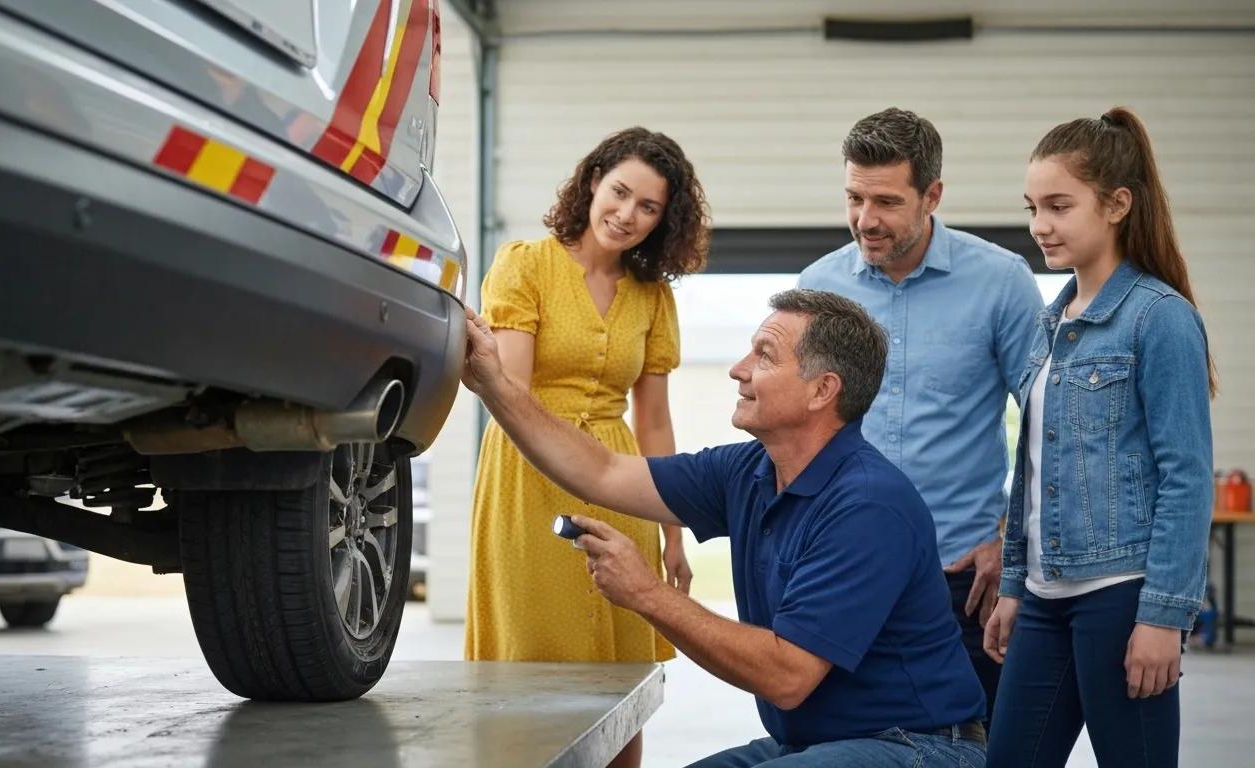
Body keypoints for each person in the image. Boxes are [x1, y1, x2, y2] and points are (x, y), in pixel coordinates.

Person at [462, 289, 988, 767]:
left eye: (763, 355)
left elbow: (787, 675)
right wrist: (494, 384)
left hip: (917, 746)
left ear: (822, 390)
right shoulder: (748, 470)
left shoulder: (868, 505)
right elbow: (602, 471)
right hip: (812, 744)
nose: (738, 369)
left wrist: (647, 593)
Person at [463, 127, 710, 768]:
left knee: (619, 665)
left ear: (663, 220)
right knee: (534, 657)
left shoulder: (653, 297)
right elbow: (509, 391)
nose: (626, 215)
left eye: (648, 207)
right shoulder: (525, 265)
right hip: (527, 470)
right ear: (594, 180)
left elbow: (654, 420)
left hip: (620, 480)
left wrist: (673, 531)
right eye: (620, 192)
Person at [983, 107, 1215, 767]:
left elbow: (1187, 476)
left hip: (1123, 594)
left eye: (1059, 205)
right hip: (1043, 600)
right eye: (1032, 206)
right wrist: (1013, 584)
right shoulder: (1049, 322)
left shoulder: (1160, 319)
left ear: (1117, 204)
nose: (1039, 225)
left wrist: (1165, 616)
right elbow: (1031, 470)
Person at [797, 107, 1044, 723]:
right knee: (840, 750)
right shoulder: (817, 290)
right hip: (842, 568)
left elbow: (1050, 425)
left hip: (963, 580)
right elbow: (794, 430)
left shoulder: (1001, 282)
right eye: (854, 198)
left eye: (885, 201)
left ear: (932, 195)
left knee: (972, 745)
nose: (865, 219)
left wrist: (1009, 540)